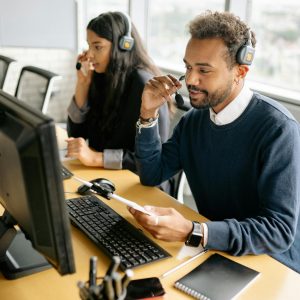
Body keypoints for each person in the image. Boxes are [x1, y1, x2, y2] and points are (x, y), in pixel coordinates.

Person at [129, 11, 300, 273]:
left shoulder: (278, 130)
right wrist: (148, 113)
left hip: (274, 265)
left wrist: (195, 231)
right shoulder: (193, 122)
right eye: (188, 67)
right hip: (219, 253)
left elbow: (278, 231)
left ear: (240, 71)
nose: (191, 80)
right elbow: (152, 174)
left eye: (204, 70)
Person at [66, 11, 169, 172]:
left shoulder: (145, 86)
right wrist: (82, 84)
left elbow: (153, 161)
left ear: (124, 45)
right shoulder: (102, 76)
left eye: (97, 46)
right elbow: (76, 134)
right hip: (106, 175)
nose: (90, 55)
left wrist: (96, 158)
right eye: (89, 46)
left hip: (139, 183)